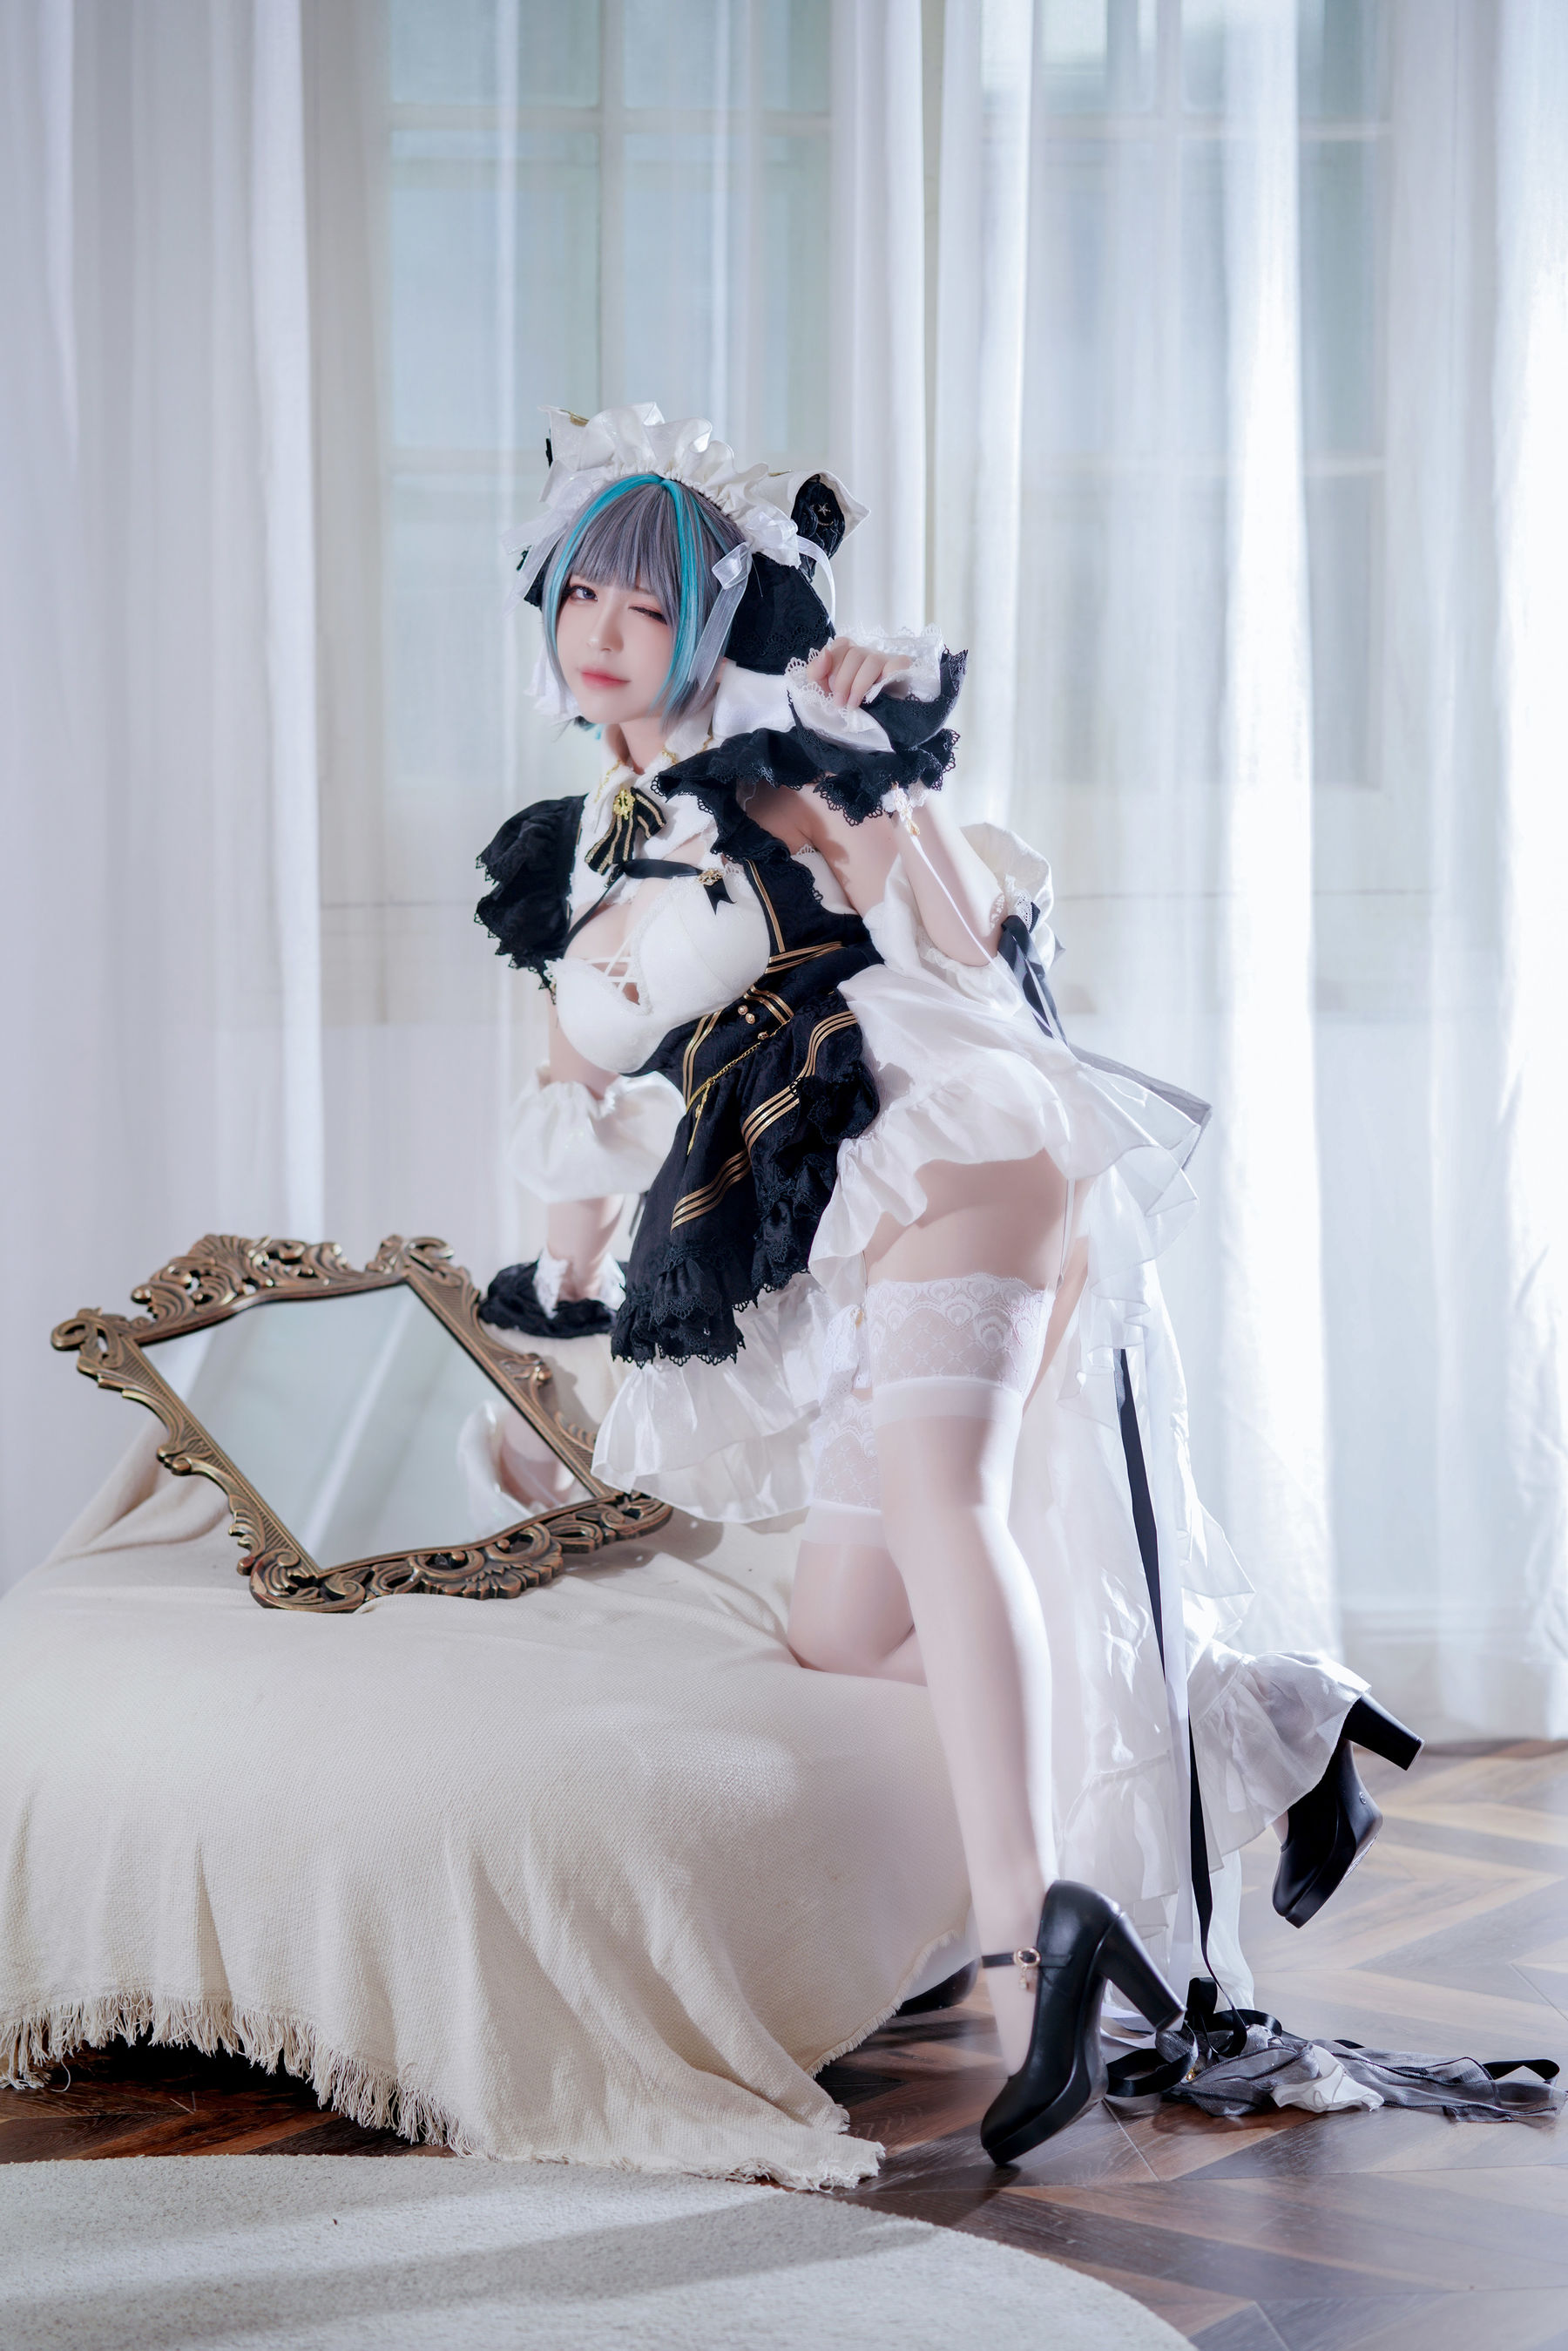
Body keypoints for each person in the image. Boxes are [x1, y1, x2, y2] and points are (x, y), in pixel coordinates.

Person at [474, 405, 1422, 2160]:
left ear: (711, 619)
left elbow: (974, 938)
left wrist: (881, 763)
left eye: (647, 600)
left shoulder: (775, 750)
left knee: (945, 1505)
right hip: (835, 1218)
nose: (603, 629)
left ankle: (1024, 1949)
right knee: (841, 1626)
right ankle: (1257, 1720)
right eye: (580, 594)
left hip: (949, 1144)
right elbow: (575, 1100)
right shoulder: (589, 847)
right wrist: (555, 1300)